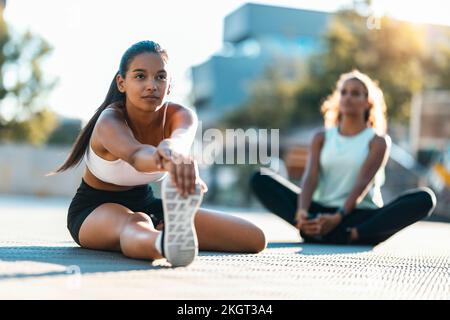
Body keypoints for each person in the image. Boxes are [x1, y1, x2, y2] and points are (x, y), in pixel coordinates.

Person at [51, 40, 266, 267]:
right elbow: (137, 156)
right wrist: (165, 159)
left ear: (170, 85)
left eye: (160, 77)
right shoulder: (110, 121)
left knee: (253, 239)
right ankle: (165, 244)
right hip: (93, 210)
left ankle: (170, 231)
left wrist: (173, 151)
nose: (152, 85)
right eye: (140, 76)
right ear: (122, 83)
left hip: (148, 203)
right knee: (137, 221)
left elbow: (179, 142)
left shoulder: (181, 115)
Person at [251, 70, 436, 245]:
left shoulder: (378, 142)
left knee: (425, 198)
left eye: (355, 93)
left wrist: (339, 216)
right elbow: (310, 177)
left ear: (367, 102)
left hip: (359, 216)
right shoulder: (321, 137)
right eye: (344, 92)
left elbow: (362, 183)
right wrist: (302, 211)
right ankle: (315, 227)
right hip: (319, 212)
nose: (348, 97)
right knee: (260, 179)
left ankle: (349, 234)